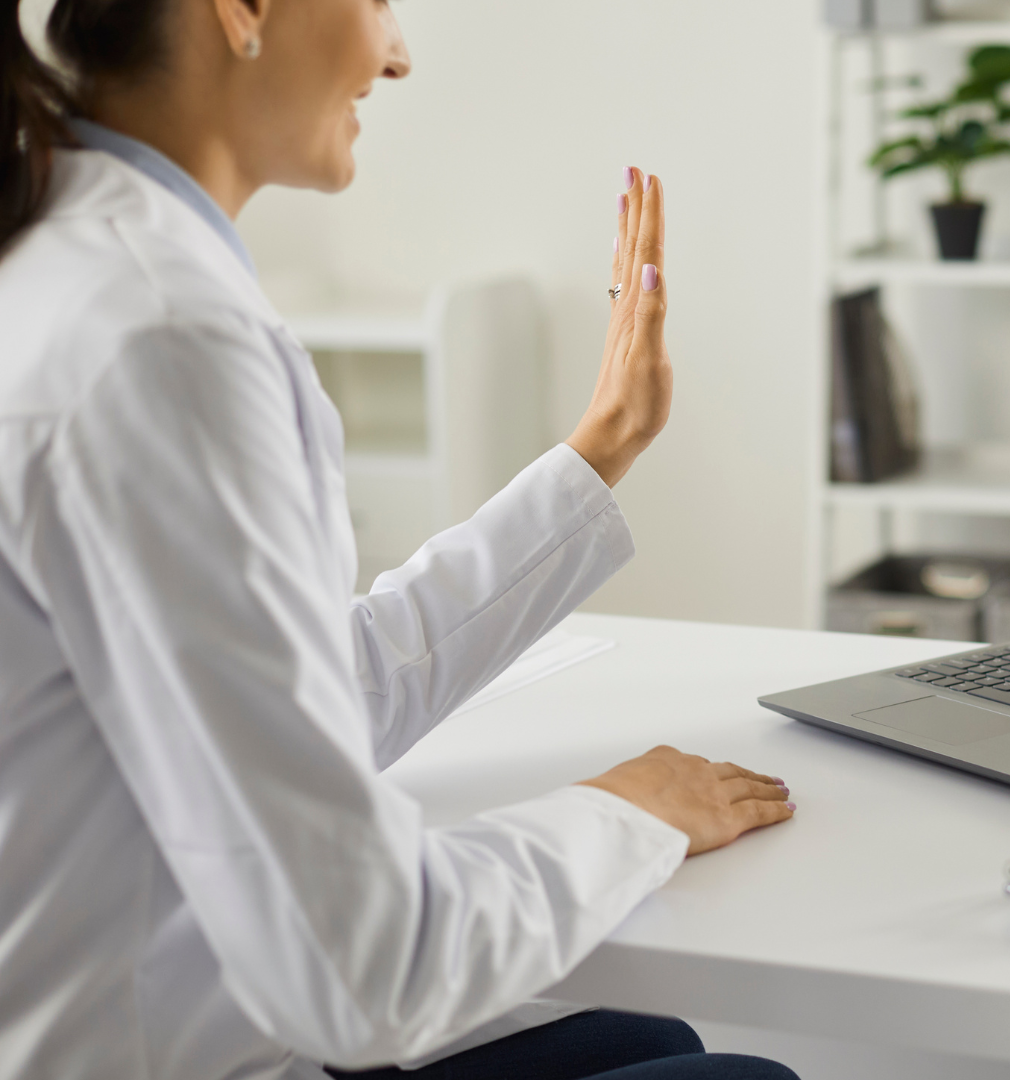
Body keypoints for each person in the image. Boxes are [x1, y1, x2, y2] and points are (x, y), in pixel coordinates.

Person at [0, 2, 797, 1078]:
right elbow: (360, 967)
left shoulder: (90, 260)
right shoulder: (159, 335)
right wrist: (623, 816)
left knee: (656, 1045)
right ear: (240, 11)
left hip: (196, 1020)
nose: (399, 52)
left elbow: (311, 686)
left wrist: (601, 448)